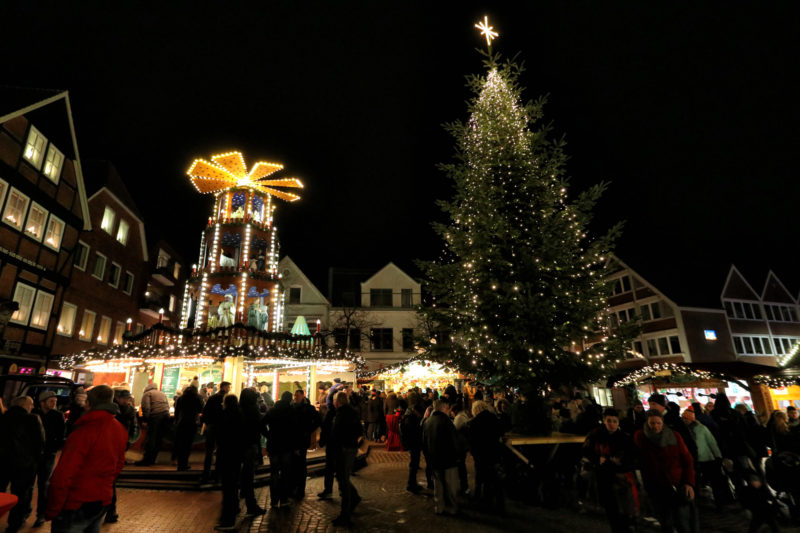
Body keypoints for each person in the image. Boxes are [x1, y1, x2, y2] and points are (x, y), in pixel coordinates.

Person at [44, 385, 127, 533]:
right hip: (101, 499)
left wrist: (53, 508)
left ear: (88, 403)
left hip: (76, 502)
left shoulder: (84, 431)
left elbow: (64, 474)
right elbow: (118, 465)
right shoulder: (119, 429)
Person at [634, 409, 696, 533]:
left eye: (658, 423)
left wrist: (689, 483)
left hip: (676, 484)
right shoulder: (640, 437)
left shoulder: (674, 436)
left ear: (663, 423)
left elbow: (687, 460)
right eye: (652, 423)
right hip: (656, 487)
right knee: (665, 522)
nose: (655, 426)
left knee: (682, 521)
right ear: (647, 423)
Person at [582, 408, 638, 533]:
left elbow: (632, 455)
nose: (612, 424)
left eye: (614, 421)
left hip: (621, 475)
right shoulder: (596, 434)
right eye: (609, 421)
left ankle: (627, 525)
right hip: (603, 474)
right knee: (610, 505)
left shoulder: (624, 437)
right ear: (604, 421)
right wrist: (598, 459)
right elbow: (586, 450)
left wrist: (621, 462)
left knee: (625, 504)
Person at [0, 396, 44, 533]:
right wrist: (35, 461)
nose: (32, 407)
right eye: (30, 404)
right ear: (24, 405)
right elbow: (40, 443)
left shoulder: (3, 417)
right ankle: (14, 524)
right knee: (20, 495)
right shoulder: (32, 419)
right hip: (24, 465)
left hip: (2, 463)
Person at [329, 391, 362, 527]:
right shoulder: (352, 413)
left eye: (335, 400)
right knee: (344, 477)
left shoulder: (341, 414)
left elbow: (336, 434)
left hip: (343, 449)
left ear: (338, 402)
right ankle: (353, 499)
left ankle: (345, 513)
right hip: (351, 447)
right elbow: (359, 430)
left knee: (343, 479)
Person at [681, 407, 726, 508]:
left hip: (707, 459)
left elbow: (711, 442)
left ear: (692, 419)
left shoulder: (701, 428)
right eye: (683, 418)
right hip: (694, 460)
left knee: (714, 482)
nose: (685, 420)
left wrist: (718, 456)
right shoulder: (683, 430)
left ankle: (719, 503)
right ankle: (698, 503)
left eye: (686, 418)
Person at [32, 391, 65, 527]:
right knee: (28, 484)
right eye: (51, 401)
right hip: (33, 453)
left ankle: (41, 514)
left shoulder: (57, 415)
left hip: (48, 453)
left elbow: (62, 433)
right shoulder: (34, 414)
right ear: (42, 402)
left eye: (55, 401)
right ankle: (24, 513)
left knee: (44, 484)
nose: (54, 404)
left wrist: (54, 447)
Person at [105, 389, 138, 524]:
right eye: (125, 399)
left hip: (121, 443)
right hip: (111, 444)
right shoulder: (112, 409)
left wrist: (129, 440)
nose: (127, 401)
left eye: (128, 399)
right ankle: (109, 510)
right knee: (110, 480)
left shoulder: (130, 411)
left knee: (112, 479)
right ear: (118, 398)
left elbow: (133, 427)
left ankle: (110, 511)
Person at [423, 399, 459, 516]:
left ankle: (439, 507)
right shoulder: (446, 422)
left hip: (434, 459)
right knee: (450, 485)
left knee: (438, 485)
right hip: (448, 459)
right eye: (447, 408)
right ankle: (452, 507)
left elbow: (424, 442)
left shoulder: (428, 422)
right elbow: (454, 441)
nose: (449, 411)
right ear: (443, 408)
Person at [215, 394, 245, 531]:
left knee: (228, 486)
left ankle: (228, 519)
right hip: (237, 454)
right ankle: (233, 509)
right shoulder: (240, 415)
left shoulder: (224, 416)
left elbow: (220, 435)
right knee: (233, 484)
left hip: (226, 454)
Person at [469, 400, 504, 513]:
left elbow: (472, 441)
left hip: (480, 455)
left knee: (481, 478)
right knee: (495, 479)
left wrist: (473, 453)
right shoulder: (494, 419)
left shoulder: (474, 422)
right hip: (493, 453)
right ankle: (499, 504)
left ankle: (482, 502)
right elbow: (500, 433)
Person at [264, 391, 295, 508]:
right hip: (286, 445)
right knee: (285, 472)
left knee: (274, 473)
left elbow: (262, 423)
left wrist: (268, 435)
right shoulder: (291, 411)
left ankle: (273, 499)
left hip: (274, 445)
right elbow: (295, 428)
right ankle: (284, 498)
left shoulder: (273, 410)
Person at [239, 388, 266, 516]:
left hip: (239, 446)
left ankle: (238, 499)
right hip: (250, 445)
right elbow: (261, 426)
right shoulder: (254, 410)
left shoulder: (238, 410)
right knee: (249, 474)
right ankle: (251, 505)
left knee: (241, 473)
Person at [291, 389, 321, 499]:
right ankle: (295, 487)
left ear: (302, 396)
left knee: (300, 464)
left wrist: (309, 430)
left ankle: (300, 489)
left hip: (302, 439)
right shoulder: (293, 407)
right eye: (295, 395)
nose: (295, 397)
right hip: (295, 439)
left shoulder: (308, 408)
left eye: (297, 395)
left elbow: (318, 420)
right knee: (296, 464)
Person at [201, 381, 230, 481]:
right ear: (225, 387)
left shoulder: (212, 398)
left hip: (211, 426)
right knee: (220, 451)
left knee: (209, 451)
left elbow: (205, 412)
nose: (229, 389)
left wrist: (207, 422)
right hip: (222, 428)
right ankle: (218, 474)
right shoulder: (227, 399)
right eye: (228, 387)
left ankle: (206, 473)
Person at [136, 383, 170, 466]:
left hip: (155, 417)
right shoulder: (162, 393)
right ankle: (153, 459)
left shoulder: (147, 394)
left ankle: (147, 460)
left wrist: (145, 420)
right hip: (165, 417)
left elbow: (146, 408)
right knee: (158, 439)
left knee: (151, 438)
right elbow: (168, 406)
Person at [401, 392, 426, 493]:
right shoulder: (410, 415)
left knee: (414, 462)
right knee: (414, 463)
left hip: (412, 441)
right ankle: (411, 484)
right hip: (413, 442)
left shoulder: (409, 413)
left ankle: (412, 482)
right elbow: (412, 429)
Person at [174, 385, 203, 471]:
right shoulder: (197, 398)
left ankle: (180, 464)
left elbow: (176, 411)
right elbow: (201, 409)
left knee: (181, 444)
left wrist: (176, 420)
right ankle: (185, 463)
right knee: (188, 445)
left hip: (181, 423)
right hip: (192, 423)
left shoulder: (181, 398)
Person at [316, 397, 337, 500]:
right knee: (340, 471)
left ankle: (328, 490)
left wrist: (322, 442)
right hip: (342, 445)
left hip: (333, 445)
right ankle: (349, 493)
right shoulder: (346, 412)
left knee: (329, 468)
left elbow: (325, 428)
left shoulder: (331, 413)